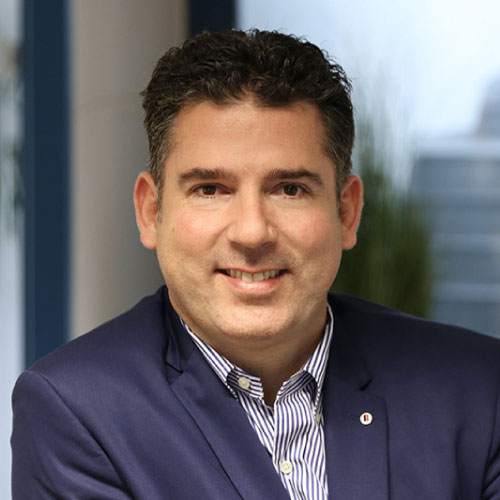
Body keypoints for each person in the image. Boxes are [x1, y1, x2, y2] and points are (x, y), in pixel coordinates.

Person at [11, 29, 500, 500]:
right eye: (210, 189)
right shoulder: (76, 411)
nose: (252, 232)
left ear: (346, 212)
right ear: (151, 212)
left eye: (290, 189)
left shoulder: (478, 388)